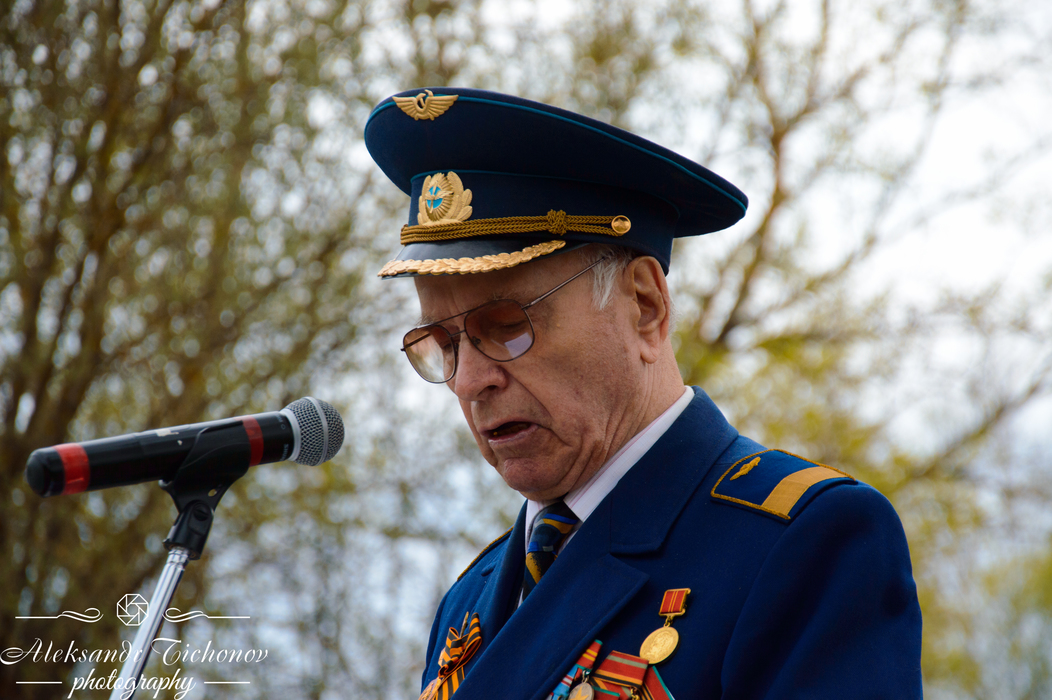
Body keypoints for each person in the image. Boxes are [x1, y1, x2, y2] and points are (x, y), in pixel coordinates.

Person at [365, 88, 922, 700]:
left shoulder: (805, 545)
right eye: (443, 344)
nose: (471, 381)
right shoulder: (469, 601)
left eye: (507, 326)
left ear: (645, 307)